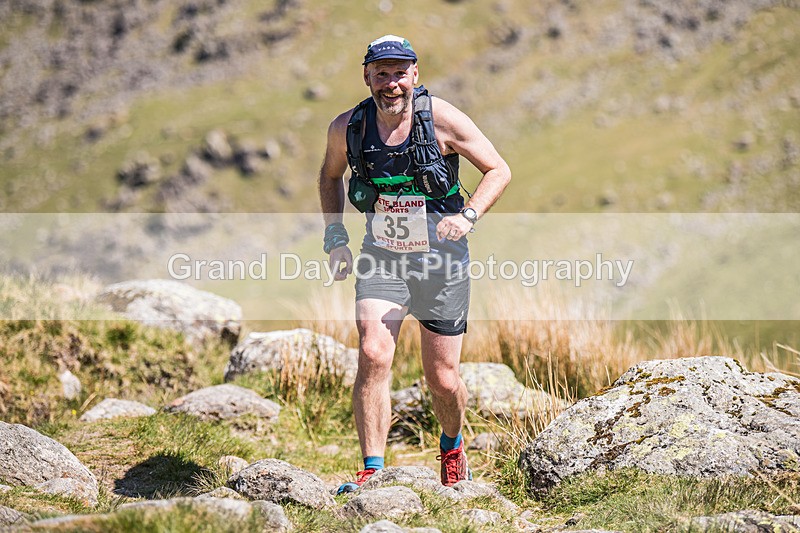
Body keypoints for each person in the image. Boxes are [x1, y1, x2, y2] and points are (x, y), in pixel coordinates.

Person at [318, 35, 511, 493]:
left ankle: (451, 446)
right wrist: (335, 238)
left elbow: (498, 170)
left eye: (399, 73)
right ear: (366, 77)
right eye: (381, 74)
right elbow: (329, 176)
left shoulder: (442, 119)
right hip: (382, 256)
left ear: (415, 75)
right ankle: (372, 469)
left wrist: (467, 217)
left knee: (442, 379)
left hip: (441, 262)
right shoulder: (347, 128)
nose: (391, 83)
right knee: (372, 351)